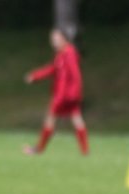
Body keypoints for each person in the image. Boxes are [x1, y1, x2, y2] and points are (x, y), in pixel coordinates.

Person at [23, 24, 87, 155]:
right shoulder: (62, 54)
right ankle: (85, 151)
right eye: (52, 38)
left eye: (56, 38)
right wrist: (35, 76)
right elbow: (52, 69)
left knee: (50, 119)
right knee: (76, 119)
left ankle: (39, 149)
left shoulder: (69, 53)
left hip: (65, 95)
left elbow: (75, 74)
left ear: (64, 38)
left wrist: (74, 92)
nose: (53, 41)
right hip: (66, 94)